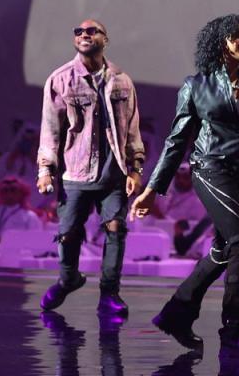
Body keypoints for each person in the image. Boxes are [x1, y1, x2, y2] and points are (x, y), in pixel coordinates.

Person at [130, 14, 239, 358]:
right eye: (237, 36)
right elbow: (176, 141)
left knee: (222, 251)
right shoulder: (197, 85)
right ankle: (233, 329)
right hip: (209, 168)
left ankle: (176, 312)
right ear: (221, 43)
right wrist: (152, 188)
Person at [37, 19, 144, 317]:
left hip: (114, 173)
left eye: (92, 30)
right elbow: (50, 129)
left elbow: (132, 127)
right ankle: (68, 279)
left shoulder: (121, 80)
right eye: (79, 31)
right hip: (75, 172)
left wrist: (136, 168)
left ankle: (109, 293)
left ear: (105, 39)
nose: (84, 34)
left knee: (115, 228)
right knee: (69, 233)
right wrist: (45, 169)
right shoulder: (60, 79)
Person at [0, 176, 42, 244]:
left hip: (20, 253)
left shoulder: (30, 216)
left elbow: (36, 242)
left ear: (21, 193)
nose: (9, 194)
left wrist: (5, 240)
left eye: (13, 190)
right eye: (5, 191)